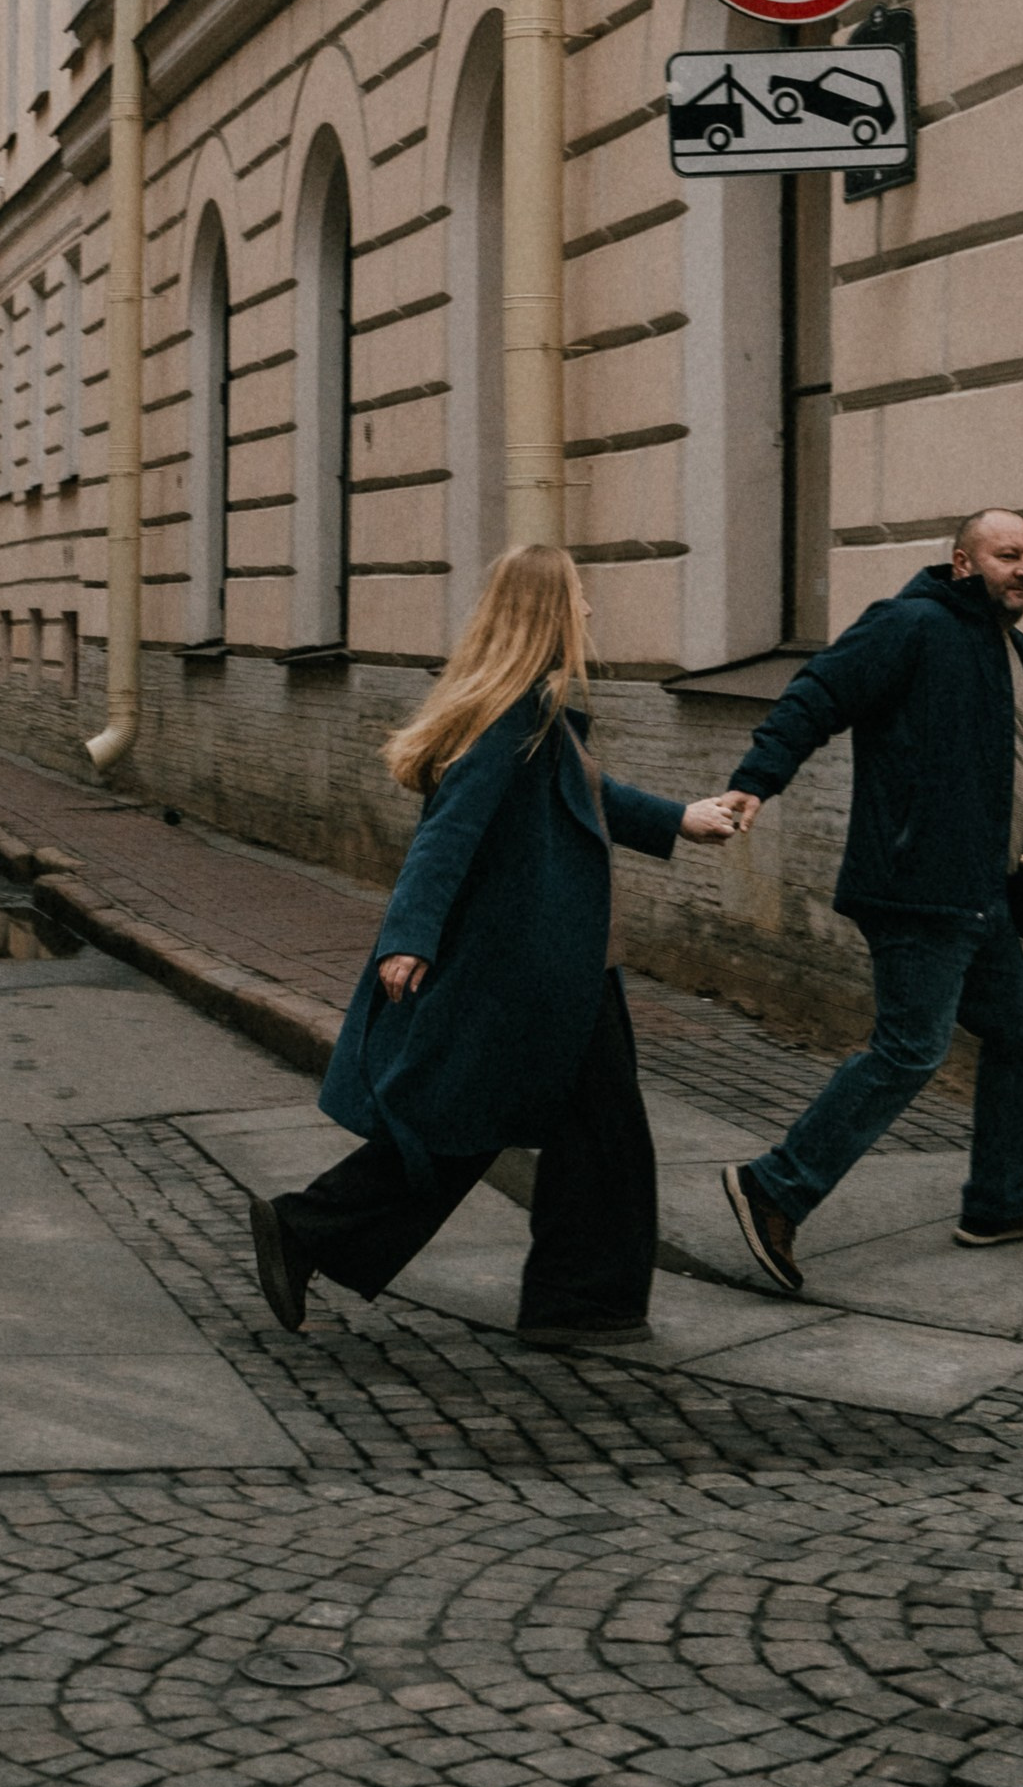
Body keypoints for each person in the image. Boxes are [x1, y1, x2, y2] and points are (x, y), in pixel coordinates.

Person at [248, 544, 735, 1351]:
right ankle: (318, 1232)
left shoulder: (533, 715)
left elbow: (588, 793)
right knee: (510, 1132)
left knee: (556, 1135)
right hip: (529, 973)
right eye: (577, 597)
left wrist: (680, 817)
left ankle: (574, 1301)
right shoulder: (513, 718)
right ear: (547, 613)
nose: (587, 611)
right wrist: (407, 938)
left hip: (557, 971)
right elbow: (446, 837)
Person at [713, 507, 1023, 1298]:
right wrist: (755, 782)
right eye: (1003, 556)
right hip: (918, 884)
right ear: (962, 562)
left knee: (1019, 1035)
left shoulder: (1013, 652)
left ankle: (996, 1201)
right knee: (909, 1049)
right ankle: (775, 1188)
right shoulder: (909, 625)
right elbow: (816, 693)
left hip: (978, 891)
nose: (1022, 570)